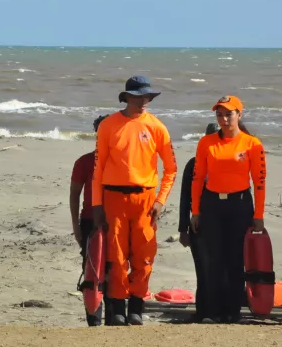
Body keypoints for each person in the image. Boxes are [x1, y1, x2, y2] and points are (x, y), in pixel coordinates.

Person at [92, 76, 177, 326]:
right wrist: (97, 205)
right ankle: (117, 308)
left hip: (146, 199)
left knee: (144, 256)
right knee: (116, 256)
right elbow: (98, 169)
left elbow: (171, 169)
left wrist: (161, 200)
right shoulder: (108, 125)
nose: (143, 102)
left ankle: (136, 307)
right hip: (113, 198)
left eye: (146, 97)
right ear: (127, 97)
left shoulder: (157, 127)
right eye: (138, 97)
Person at [190, 95, 266, 324]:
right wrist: (196, 211)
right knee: (214, 260)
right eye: (219, 114)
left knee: (234, 259)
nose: (223, 119)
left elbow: (259, 182)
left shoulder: (252, 144)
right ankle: (213, 312)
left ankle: (233, 312)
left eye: (228, 114)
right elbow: (197, 179)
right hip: (212, 205)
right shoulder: (206, 143)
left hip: (240, 205)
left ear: (239, 115)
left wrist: (259, 216)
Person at [70, 114, 110, 326]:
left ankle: (114, 318)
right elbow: (74, 194)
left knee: (114, 270)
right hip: (89, 222)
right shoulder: (84, 162)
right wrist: (76, 227)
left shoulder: (120, 162)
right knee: (91, 270)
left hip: (116, 222)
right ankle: (94, 321)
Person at [178, 122, 219, 323]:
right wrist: (182, 229)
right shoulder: (193, 164)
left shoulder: (230, 162)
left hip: (224, 224)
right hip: (198, 225)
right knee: (203, 268)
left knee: (222, 268)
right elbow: (185, 198)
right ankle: (203, 312)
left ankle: (220, 311)